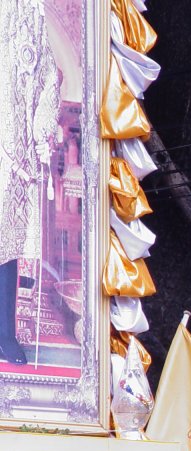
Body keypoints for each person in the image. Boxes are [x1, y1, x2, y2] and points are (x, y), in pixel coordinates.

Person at [0, 0, 60, 364]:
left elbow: (48, 77)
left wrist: (40, 136)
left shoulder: (26, 14)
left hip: (11, 156)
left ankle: (5, 334)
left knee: (5, 251)